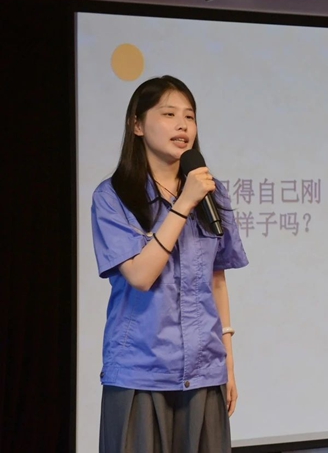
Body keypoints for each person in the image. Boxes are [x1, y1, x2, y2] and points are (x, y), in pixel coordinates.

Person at [90, 75, 249, 452]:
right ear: (137, 125)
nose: (183, 125)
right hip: (140, 374)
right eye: (169, 114)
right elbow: (141, 275)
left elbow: (217, 280)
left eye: (189, 116)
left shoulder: (212, 193)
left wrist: (227, 363)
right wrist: (184, 203)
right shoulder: (113, 197)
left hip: (204, 372)